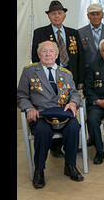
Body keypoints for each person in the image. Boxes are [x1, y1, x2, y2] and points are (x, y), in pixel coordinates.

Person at [17, 41, 84, 189]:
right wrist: (29, 108)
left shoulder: (66, 73)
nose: (48, 54)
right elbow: (21, 96)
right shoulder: (29, 71)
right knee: (42, 131)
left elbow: (74, 93)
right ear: (39, 54)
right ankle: (39, 170)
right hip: (40, 115)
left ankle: (70, 165)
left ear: (57, 54)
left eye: (51, 51)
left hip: (63, 114)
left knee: (74, 127)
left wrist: (73, 102)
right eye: (44, 51)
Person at [31, 0, 85, 158]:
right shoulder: (40, 32)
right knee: (54, 107)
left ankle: (70, 144)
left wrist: (80, 78)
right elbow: (35, 56)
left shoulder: (73, 32)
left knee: (69, 108)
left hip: (70, 77)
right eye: (53, 13)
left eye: (59, 13)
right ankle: (55, 147)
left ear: (64, 15)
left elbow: (80, 57)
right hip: (49, 77)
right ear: (49, 16)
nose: (57, 16)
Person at [78, 3, 104, 68]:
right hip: (87, 70)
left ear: (102, 15)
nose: (95, 17)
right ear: (88, 16)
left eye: (98, 14)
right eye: (93, 14)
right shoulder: (80, 32)